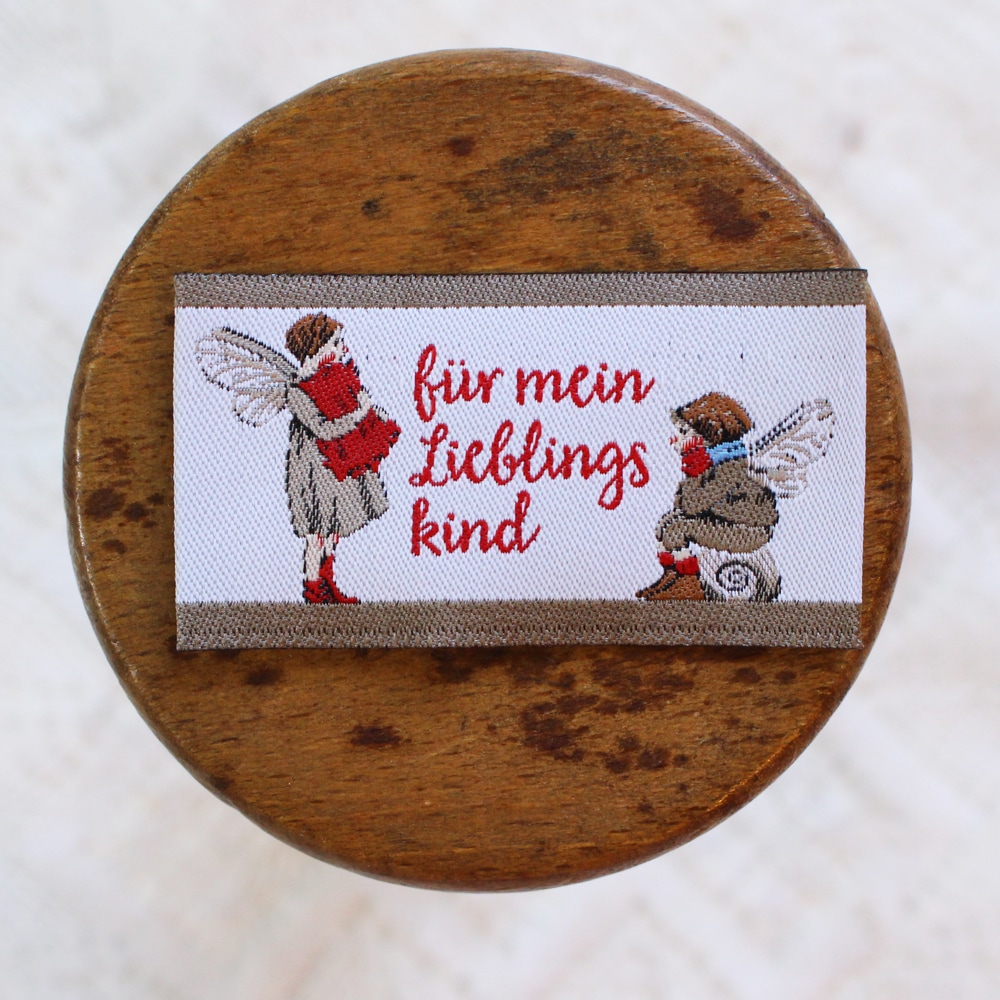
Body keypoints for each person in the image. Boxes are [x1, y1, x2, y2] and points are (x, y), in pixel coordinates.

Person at [283, 313, 400, 603]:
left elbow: (349, 410)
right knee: (317, 532)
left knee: (333, 530)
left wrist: (372, 416)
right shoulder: (297, 391)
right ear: (316, 347)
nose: (342, 349)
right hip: (314, 472)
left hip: (339, 466)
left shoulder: (335, 379)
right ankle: (313, 589)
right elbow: (323, 428)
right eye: (335, 343)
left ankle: (327, 582)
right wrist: (359, 414)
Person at [636, 392, 778, 601]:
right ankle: (673, 577)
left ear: (707, 436)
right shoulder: (714, 462)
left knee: (677, 528)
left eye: (684, 432)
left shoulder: (729, 467)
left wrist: (695, 471)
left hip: (746, 530)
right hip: (726, 521)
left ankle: (689, 583)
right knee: (666, 524)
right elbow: (682, 505)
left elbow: (692, 505)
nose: (676, 439)